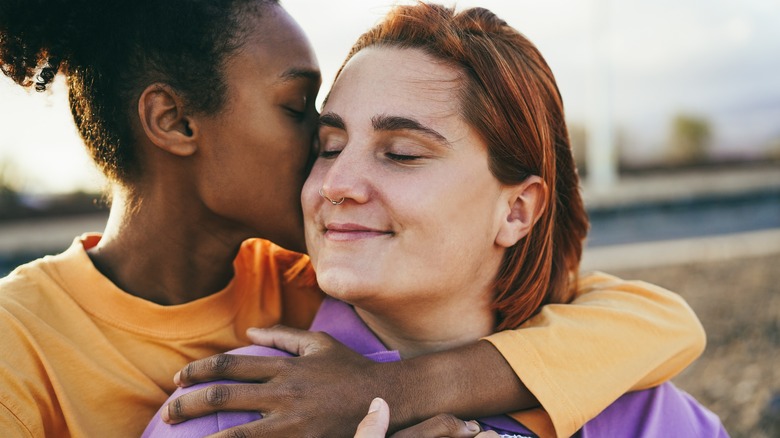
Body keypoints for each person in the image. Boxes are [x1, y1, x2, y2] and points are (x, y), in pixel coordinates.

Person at [0, 0, 703, 436]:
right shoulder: (20, 345)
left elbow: (660, 324)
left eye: (396, 151)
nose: (330, 169)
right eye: (307, 118)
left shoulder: (318, 279)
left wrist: (393, 391)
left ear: (519, 209)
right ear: (175, 120)